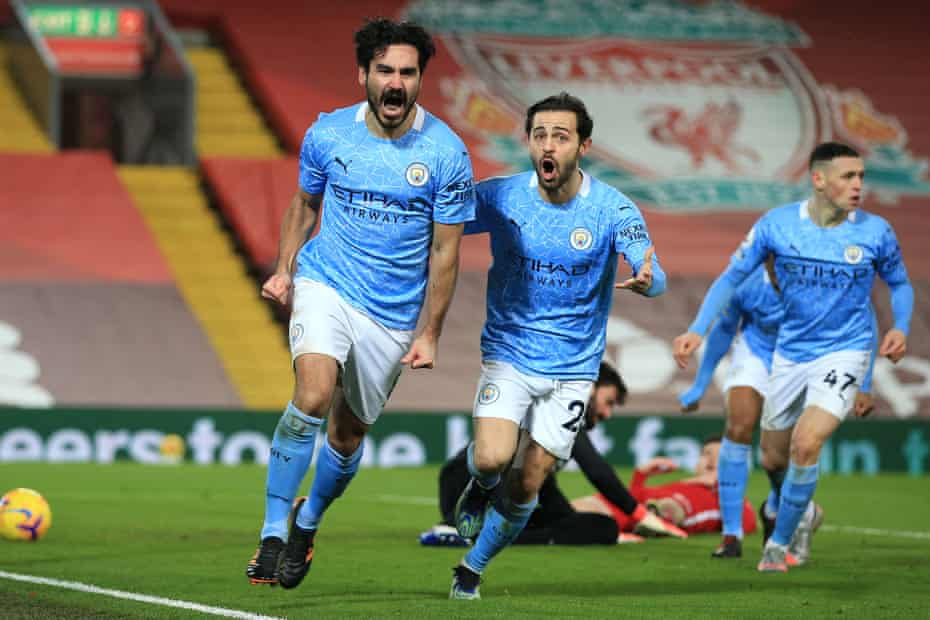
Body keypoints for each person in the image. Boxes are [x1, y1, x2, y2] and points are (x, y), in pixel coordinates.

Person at [246, 18, 476, 589]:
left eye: (407, 72)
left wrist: (431, 332)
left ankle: (308, 522)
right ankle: (274, 531)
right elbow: (303, 206)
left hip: (393, 314)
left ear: (420, 79)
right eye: (385, 71)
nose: (396, 83)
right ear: (364, 75)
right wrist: (284, 270)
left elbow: (446, 254)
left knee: (347, 438)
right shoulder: (328, 135)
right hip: (327, 283)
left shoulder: (446, 153)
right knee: (314, 393)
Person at [448, 92, 666, 600]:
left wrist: (647, 275)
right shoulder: (501, 196)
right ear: (529, 142)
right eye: (540, 134)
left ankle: (472, 568)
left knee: (529, 481)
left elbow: (652, 272)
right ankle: (479, 488)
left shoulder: (613, 208)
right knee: (490, 459)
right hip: (510, 353)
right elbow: (445, 220)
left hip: (573, 369)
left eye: (561, 136)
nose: (548, 144)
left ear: (583, 146)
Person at [673, 142, 913, 573]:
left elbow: (895, 288)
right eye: (848, 176)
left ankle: (777, 544)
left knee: (807, 444)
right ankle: (799, 514)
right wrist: (696, 330)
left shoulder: (876, 231)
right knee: (772, 457)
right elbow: (730, 281)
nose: (858, 184)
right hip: (787, 354)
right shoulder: (777, 227)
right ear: (819, 179)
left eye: (861, 176)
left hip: (843, 351)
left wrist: (899, 330)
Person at [678, 268, 879, 561]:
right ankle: (731, 535)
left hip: (808, 360)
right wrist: (700, 383)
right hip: (756, 353)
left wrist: (866, 381)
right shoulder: (748, 282)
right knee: (739, 425)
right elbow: (724, 328)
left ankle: (784, 507)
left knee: (777, 456)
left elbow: (864, 320)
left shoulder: (821, 276)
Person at [421, 362, 686, 548]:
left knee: (600, 527)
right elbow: (596, 470)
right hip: (468, 485)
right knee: (587, 527)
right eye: (609, 402)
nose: (608, 414)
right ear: (591, 387)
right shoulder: (559, 407)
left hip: (471, 484)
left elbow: (543, 484)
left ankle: (462, 533)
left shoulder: (551, 412)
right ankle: (468, 533)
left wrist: (579, 527)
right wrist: (640, 514)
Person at [572, 436, 757, 537]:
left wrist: (725, 485)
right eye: (706, 454)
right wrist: (641, 475)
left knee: (671, 506)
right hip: (625, 507)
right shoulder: (680, 484)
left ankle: (657, 517)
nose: (713, 460)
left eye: (721, 456)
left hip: (639, 515)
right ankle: (653, 518)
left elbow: (747, 524)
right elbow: (633, 499)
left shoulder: (729, 500)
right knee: (560, 513)